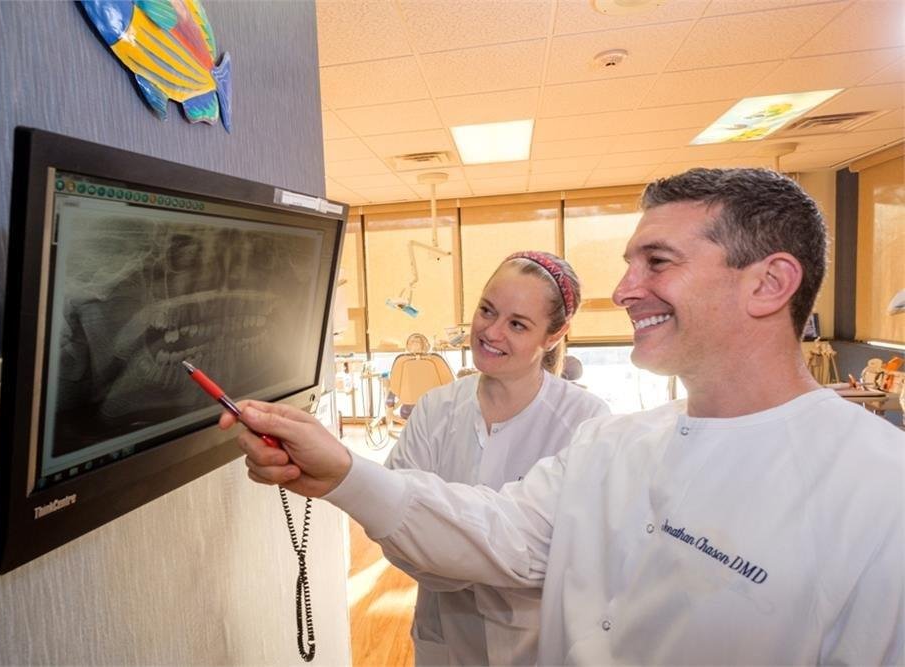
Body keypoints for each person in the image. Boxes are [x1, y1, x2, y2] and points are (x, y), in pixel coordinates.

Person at [224, 168, 905, 665]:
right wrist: (342, 471)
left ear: (768, 283)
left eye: (657, 261)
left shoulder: (880, 491)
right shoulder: (613, 444)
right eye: (629, 261)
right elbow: (501, 530)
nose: (623, 289)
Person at [383, 251, 609, 665]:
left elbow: (572, 554)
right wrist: (492, 560)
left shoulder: (586, 422)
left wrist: (445, 545)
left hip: (537, 645)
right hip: (444, 637)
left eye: (518, 324)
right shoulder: (435, 409)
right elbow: (397, 531)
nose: (491, 332)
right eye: (487, 310)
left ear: (554, 336)